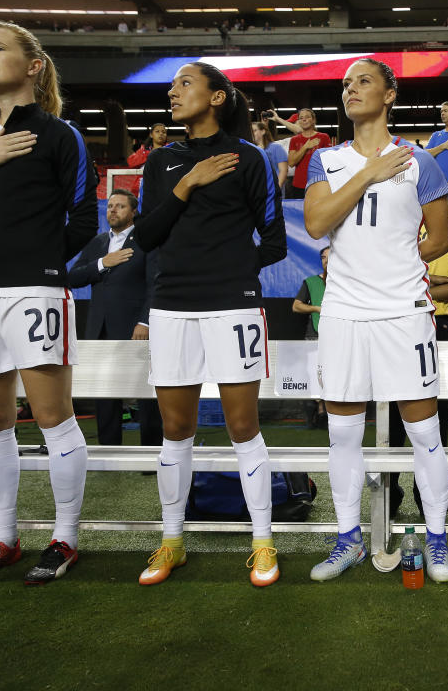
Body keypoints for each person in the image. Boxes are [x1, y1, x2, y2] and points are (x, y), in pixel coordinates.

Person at [0, 21, 98, 584]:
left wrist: (41, 264)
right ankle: (2, 541)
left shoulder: (60, 135)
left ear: (33, 65)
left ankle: (65, 539)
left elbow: (83, 219)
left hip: (32, 289)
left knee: (53, 418)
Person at [133, 61, 286, 587]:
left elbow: (275, 239)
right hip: (171, 304)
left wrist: (233, 274)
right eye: (172, 86)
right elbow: (146, 235)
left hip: (232, 305)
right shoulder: (161, 161)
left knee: (244, 428)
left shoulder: (249, 158)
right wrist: (188, 184)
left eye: (185, 84)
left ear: (217, 97)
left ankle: (263, 544)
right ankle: (171, 541)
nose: (172, 92)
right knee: (176, 430)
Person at [303, 58, 448, 582]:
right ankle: (349, 540)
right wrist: (368, 172)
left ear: (390, 94)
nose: (350, 89)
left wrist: (398, 261)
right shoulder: (327, 159)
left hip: (402, 312)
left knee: (425, 433)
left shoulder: (419, 162)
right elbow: (317, 222)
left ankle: (436, 540)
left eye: (363, 80)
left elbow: (439, 238)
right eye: (345, 84)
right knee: (343, 436)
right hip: (343, 312)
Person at [389, 218, 448, 517]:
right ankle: (389, 496)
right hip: (396, 326)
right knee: (393, 419)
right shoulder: (393, 221)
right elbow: (384, 282)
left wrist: (411, 292)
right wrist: (430, 288)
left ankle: (429, 496)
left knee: (437, 418)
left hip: (439, 327)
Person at [67, 188, 162, 447]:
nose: (113, 210)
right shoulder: (98, 243)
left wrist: (145, 322)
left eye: (120, 206)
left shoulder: (146, 241)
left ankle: (151, 451)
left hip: (135, 328)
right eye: (110, 206)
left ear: (133, 212)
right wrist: (102, 263)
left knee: (146, 393)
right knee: (104, 391)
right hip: (100, 329)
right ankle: (108, 449)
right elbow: (72, 277)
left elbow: (156, 284)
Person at [292, 245, 330, 429]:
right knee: (315, 378)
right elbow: (296, 306)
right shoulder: (311, 282)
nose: (327, 261)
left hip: (341, 338)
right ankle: (319, 414)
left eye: (331, 257)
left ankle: (331, 414)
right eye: (324, 257)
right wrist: (316, 308)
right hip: (314, 337)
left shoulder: (348, 283)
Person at [288, 108, 331, 198]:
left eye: (307, 117)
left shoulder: (323, 137)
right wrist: (305, 147)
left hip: (318, 183)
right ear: (299, 121)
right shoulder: (294, 140)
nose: (304, 119)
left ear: (313, 120)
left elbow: (329, 161)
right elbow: (291, 163)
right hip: (299, 185)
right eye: (301, 118)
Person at [252, 120, 288, 191]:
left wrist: (276, 189)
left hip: (273, 190)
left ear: (263, 131)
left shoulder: (276, 148)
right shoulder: (251, 150)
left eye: (254, 130)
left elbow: (283, 171)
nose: (252, 133)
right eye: (250, 131)